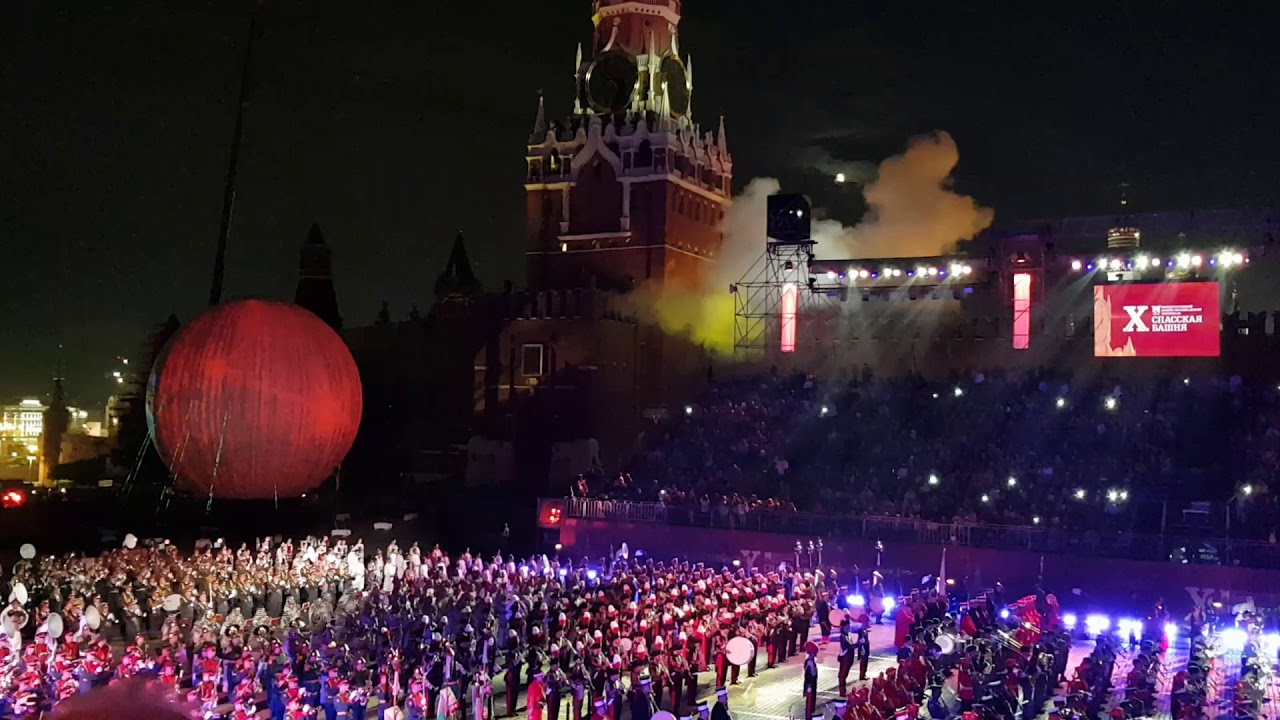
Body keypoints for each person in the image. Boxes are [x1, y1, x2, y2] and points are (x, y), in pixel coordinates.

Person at [802, 642, 819, 719]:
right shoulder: (809, 662)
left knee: (812, 703)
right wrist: (808, 687)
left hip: (812, 685)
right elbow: (808, 675)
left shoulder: (811, 661)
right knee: (809, 704)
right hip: (810, 686)